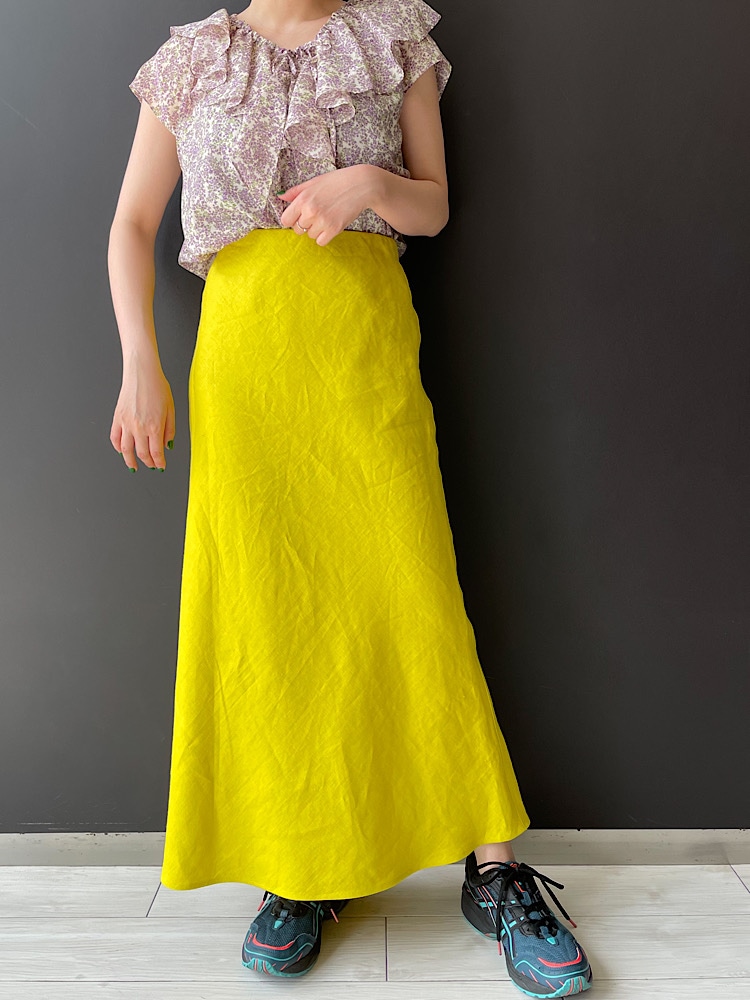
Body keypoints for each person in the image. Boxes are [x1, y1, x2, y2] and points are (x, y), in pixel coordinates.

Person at [108, 1, 593, 995]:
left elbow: (434, 207)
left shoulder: (391, 35)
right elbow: (132, 224)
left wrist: (369, 183)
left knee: (416, 595)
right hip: (245, 367)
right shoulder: (192, 59)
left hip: (363, 352)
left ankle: (495, 870)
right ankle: (302, 869)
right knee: (274, 615)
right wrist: (138, 364)